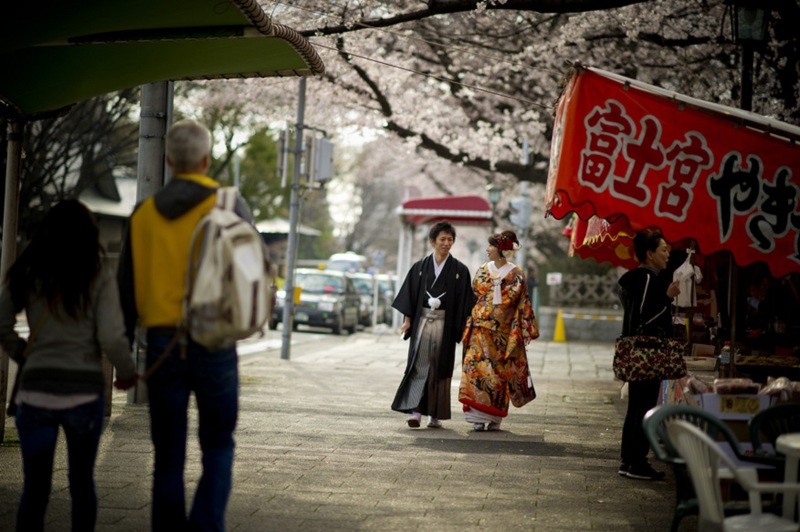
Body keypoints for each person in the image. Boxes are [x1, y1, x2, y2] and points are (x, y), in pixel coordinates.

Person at [117, 119, 253, 530]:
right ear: (206, 159)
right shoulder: (229, 204)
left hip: (162, 344)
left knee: (167, 454)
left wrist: (122, 360)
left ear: (169, 160)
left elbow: (125, 290)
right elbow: (251, 270)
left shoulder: (142, 215)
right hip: (215, 341)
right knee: (217, 445)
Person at [0, 200, 138, 532]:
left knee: (34, 490)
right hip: (83, 392)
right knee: (81, 484)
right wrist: (128, 371)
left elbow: (2, 320)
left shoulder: (29, 271)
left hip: (36, 393)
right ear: (89, 235)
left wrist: (24, 355)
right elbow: (112, 337)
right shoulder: (98, 274)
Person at [391, 221, 473, 429]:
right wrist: (407, 320)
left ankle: (435, 415)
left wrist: (464, 328)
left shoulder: (460, 271)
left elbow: (465, 302)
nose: (446, 243)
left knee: (440, 369)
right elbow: (409, 297)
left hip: (445, 326)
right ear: (432, 241)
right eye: (442, 240)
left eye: (450, 240)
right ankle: (416, 412)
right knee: (419, 366)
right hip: (422, 323)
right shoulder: (420, 268)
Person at [458, 230, 539, 431]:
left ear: (501, 249)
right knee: (475, 368)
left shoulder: (516, 273)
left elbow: (523, 303)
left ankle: (494, 417)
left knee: (498, 373)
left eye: (491, 246)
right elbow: (474, 294)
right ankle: (477, 416)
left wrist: (524, 329)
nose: (487, 249)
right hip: (479, 329)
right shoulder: (483, 269)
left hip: (503, 332)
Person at [617, 230, 680, 480]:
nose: (668, 254)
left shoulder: (639, 279)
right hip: (647, 353)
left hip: (637, 352)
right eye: (663, 249)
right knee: (642, 407)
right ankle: (636, 462)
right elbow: (645, 318)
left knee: (636, 407)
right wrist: (667, 298)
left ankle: (628, 460)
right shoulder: (644, 279)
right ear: (649, 254)